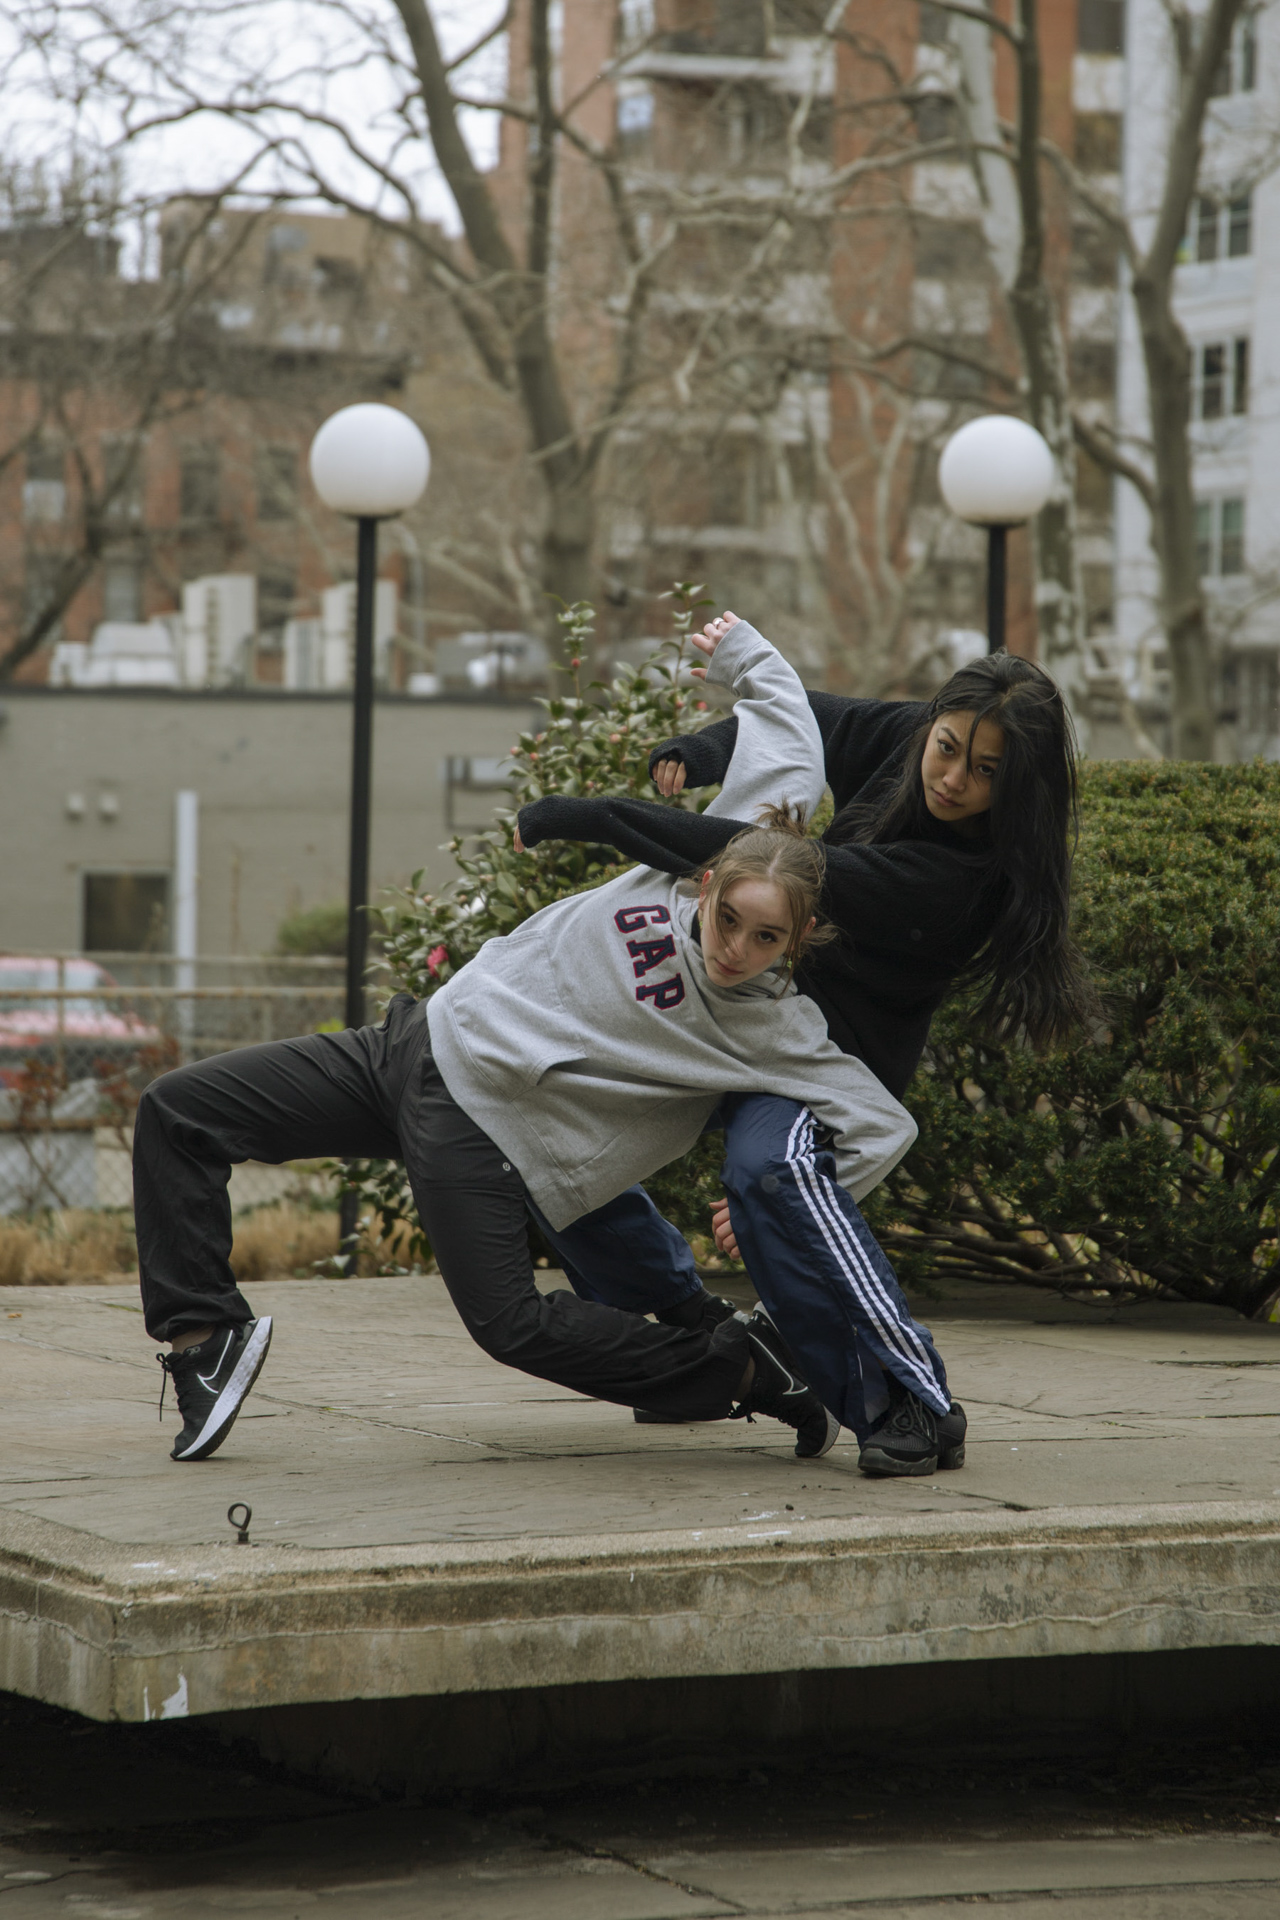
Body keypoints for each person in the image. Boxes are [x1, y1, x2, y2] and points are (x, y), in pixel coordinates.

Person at [135, 614, 917, 1466]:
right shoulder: (713, 859)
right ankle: (203, 1341)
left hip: (479, 1125)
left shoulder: (775, 1028)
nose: (735, 947)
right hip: (412, 1040)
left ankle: (746, 1374)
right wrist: (742, 653)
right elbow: (790, 737)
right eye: (727, 919)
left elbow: (882, 1126)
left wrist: (781, 1207)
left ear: (796, 943)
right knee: (179, 1111)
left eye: (764, 940)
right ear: (706, 881)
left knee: (509, 1324)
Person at [514, 647, 1093, 1477]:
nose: (954, 778)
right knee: (550, 1113)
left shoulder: (962, 878)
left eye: (987, 771)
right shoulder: (906, 739)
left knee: (770, 1174)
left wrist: (596, 816)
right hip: (738, 1013)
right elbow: (798, 712)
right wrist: (705, 749)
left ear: (1017, 788)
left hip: (823, 1061)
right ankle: (688, 1337)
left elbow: (757, 863)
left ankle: (909, 1402)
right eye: (948, 748)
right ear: (932, 726)